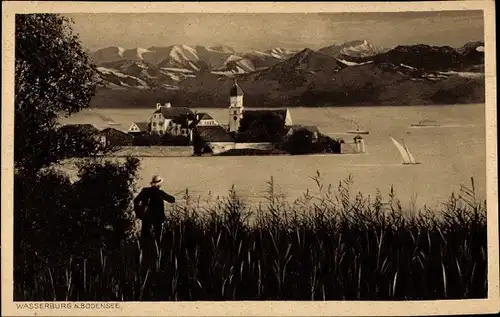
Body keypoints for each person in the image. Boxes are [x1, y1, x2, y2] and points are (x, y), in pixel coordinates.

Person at [134, 175, 176, 246]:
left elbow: (136, 201)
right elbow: (172, 200)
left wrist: (139, 212)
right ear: (159, 184)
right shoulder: (160, 193)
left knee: (145, 237)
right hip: (158, 219)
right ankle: (156, 252)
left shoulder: (145, 191)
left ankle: (143, 252)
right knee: (158, 237)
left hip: (146, 217)